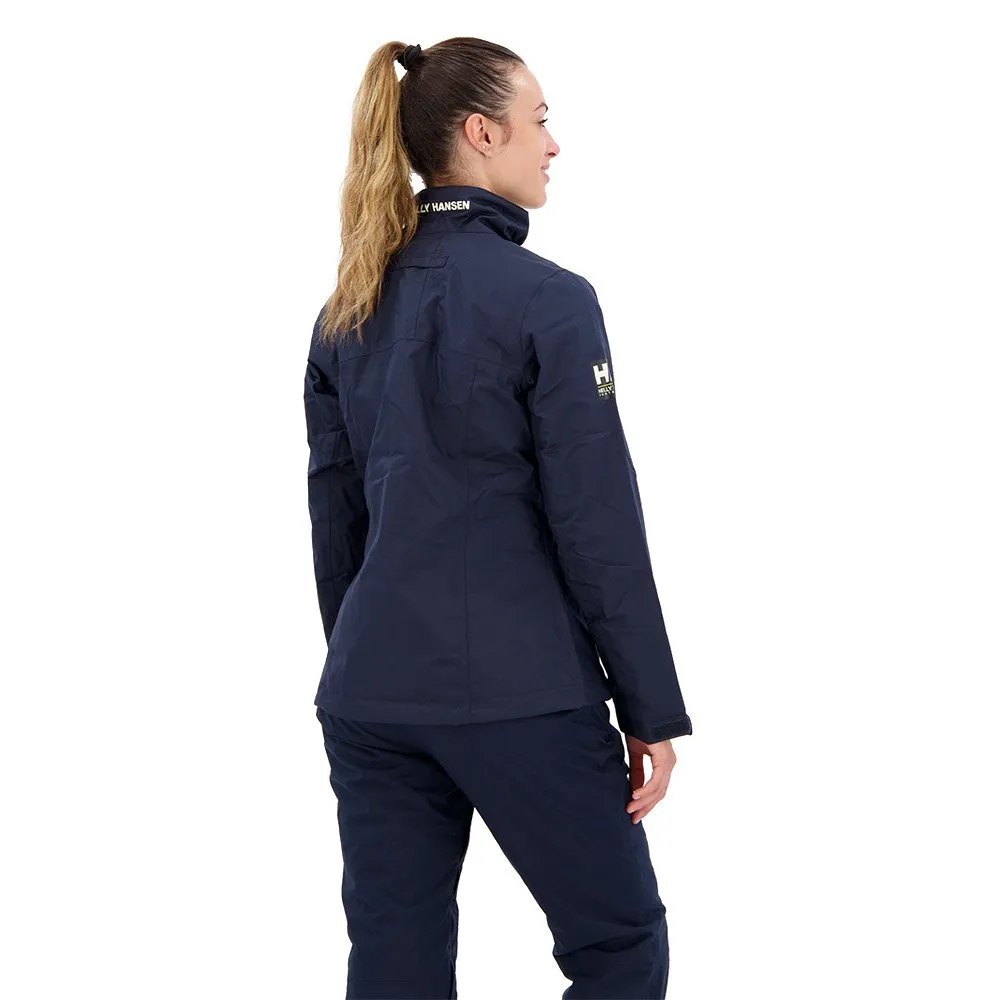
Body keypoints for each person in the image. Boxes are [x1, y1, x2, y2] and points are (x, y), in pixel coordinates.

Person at [303, 36, 693, 999]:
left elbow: (335, 523)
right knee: (619, 947)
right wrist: (649, 707)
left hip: (371, 694)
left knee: (393, 968)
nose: (553, 144)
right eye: (540, 120)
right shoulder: (551, 301)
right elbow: (598, 523)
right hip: (521, 692)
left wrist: (373, 661)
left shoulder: (346, 308)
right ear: (482, 133)